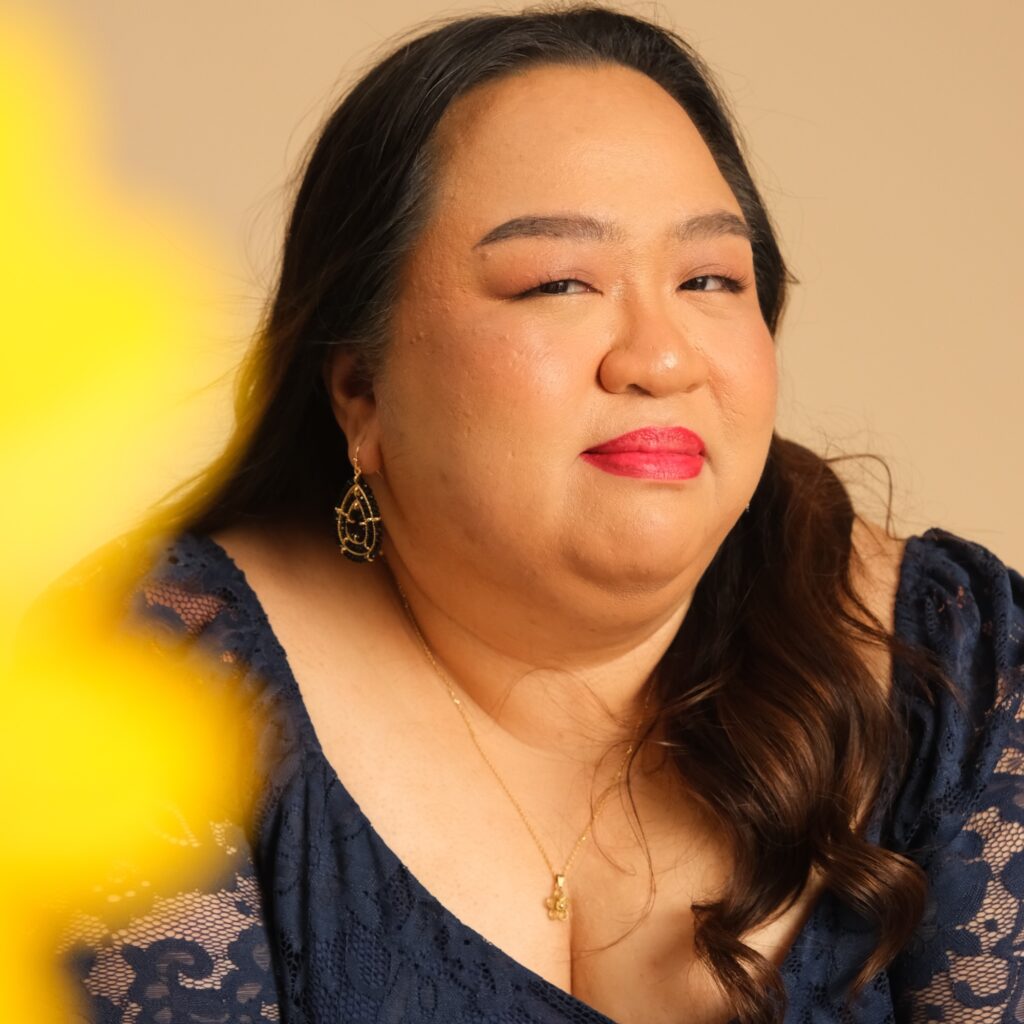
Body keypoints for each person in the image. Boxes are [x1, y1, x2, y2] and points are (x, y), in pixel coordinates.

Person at [43, 5, 1024, 1023]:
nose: (660, 356)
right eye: (557, 282)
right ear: (360, 389)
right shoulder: (150, 685)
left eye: (709, 279)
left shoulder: (958, 662)